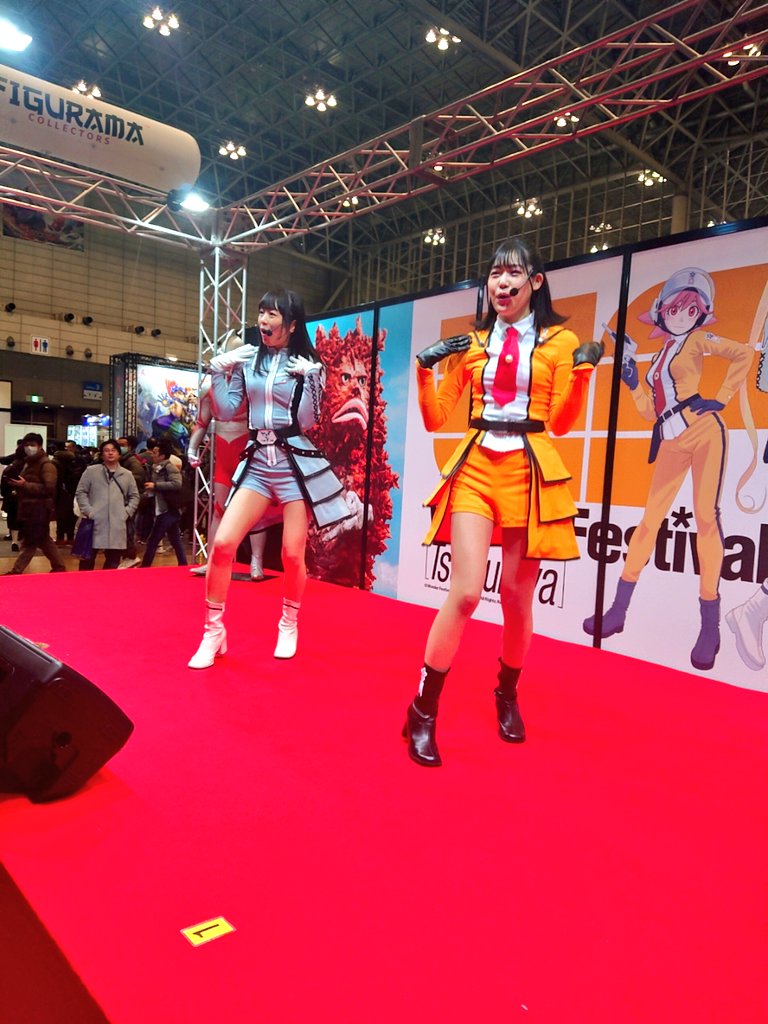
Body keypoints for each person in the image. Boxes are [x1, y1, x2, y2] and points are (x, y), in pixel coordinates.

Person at [403, 237, 602, 767]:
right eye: (495, 273)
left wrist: (582, 374)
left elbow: (561, 423)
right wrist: (425, 370)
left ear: (535, 282)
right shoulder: (473, 343)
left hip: (530, 473)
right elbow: (435, 419)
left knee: (516, 598)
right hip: (476, 467)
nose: (502, 282)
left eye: (513, 273)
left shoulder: (560, 341)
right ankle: (423, 710)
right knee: (466, 593)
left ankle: (507, 695)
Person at [583, 267, 753, 672]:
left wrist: (722, 397)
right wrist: (633, 383)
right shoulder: (659, 356)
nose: (682, 315)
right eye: (675, 308)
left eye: (691, 309)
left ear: (701, 313)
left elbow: (745, 354)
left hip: (703, 431)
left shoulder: (697, 340)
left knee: (706, 520)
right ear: (662, 312)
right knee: (649, 522)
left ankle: (709, 627)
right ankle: (618, 610)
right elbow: (651, 412)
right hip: (671, 439)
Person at [187, 288, 350, 669]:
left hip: (293, 464)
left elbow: (307, 420)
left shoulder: (306, 364)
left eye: (272, 314)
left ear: (291, 324)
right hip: (258, 463)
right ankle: (213, 632)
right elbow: (227, 409)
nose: (263, 320)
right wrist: (218, 372)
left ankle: (289, 622)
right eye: (261, 312)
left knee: (292, 553)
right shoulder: (250, 361)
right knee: (223, 545)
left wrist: (313, 380)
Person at [187, 333, 276, 582]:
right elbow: (201, 422)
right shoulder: (209, 387)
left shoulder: (252, 384)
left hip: (248, 454)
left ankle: (256, 562)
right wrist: (192, 449)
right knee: (218, 509)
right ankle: (213, 561)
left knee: (255, 511)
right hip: (225, 457)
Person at [3, 433, 67, 574]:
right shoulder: (28, 462)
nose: (29, 448)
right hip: (30, 508)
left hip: (39, 509)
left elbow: (49, 488)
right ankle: (59, 567)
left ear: (39, 446)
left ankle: (17, 570)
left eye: (32, 445)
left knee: (30, 542)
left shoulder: (46, 465)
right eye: (26, 445)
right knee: (43, 540)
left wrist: (24, 485)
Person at [74, 439, 140, 570]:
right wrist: (88, 511)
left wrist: (126, 512)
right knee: (87, 560)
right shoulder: (91, 471)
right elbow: (81, 492)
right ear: (102, 454)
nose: (110, 453)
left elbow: (134, 496)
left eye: (113, 450)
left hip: (117, 524)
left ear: (119, 454)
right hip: (94, 522)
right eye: (106, 450)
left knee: (113, 561)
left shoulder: (127, 474)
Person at [140, 439, 189, 567]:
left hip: (167, 509)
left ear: (162, 456)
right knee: (175, 540)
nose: (152, 455)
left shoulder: (169, 467)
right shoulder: (157, 468)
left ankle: (145, 566)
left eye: (155, 453)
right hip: (167, 508)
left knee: (153, 540)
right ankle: (183, 564)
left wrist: (156, 485)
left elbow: (177, 484)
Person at [116, 435, 147, 568]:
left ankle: (130, 556)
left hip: (129, 500)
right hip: (122, 499)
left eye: (123, 445)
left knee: (127, 529)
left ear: (130, 446)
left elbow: (138, 478)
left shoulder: (132, 461)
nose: (120, 447)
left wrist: (120, 478)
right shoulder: (123, 460)